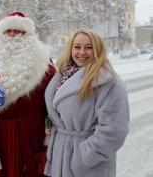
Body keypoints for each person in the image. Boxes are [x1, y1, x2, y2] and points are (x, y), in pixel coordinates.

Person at [0, 11, 56, 177]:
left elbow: (53, 102)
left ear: (27, 34)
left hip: (32, 137)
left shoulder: (43, 60)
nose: (12, 35)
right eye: (8, 31)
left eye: (18, 31)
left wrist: (48, 144)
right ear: (1, 34)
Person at [44, 29, 130, 177]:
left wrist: (84, 157)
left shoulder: (108, 82)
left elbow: (115, 131)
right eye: (77, 47)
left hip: (87, 166)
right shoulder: (63, 75)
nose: (82, 52)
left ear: (98, 50)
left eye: (88, 47)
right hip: (60, 157)